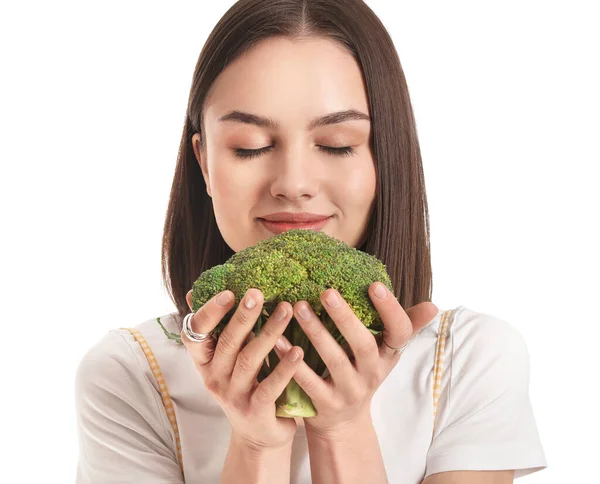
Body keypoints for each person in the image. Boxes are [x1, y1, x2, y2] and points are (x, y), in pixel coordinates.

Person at [74, 1, 548, 482]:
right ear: (204, 163)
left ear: (387, 159)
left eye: (338, 143)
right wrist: (258, 447)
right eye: (250, 146)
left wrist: (342, 430)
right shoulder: (129, 375)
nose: (294, 182)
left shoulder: (470, 361)